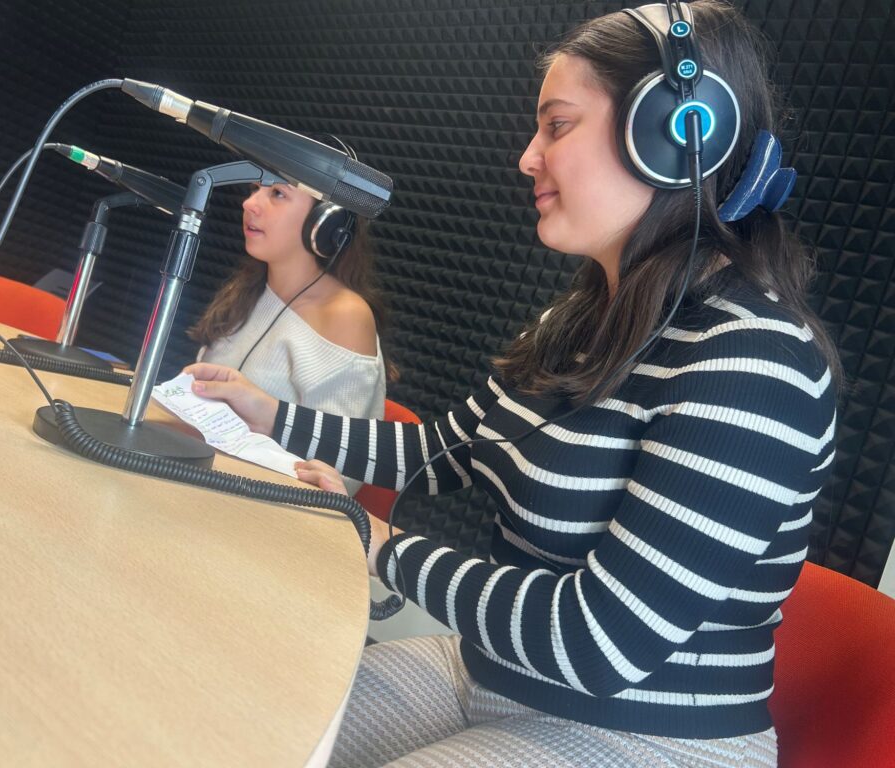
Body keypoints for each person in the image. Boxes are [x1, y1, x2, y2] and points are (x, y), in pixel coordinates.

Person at [185, 2, 839, 765]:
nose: (528, 158)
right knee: (238, 719)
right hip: (489, 674)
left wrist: (377, 544)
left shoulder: (756, 364)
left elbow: (600, 640)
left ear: (671, 136)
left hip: (646, 736)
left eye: (557, 126)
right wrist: (269, 414)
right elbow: (443, 450)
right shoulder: (580, 318)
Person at [187, 136, 391, 491]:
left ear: (326, 222)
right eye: (255, 189)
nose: (250, 203)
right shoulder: (248, 290)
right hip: (201, 479)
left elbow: (337, 471)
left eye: (277, 194)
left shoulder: (344, 316)